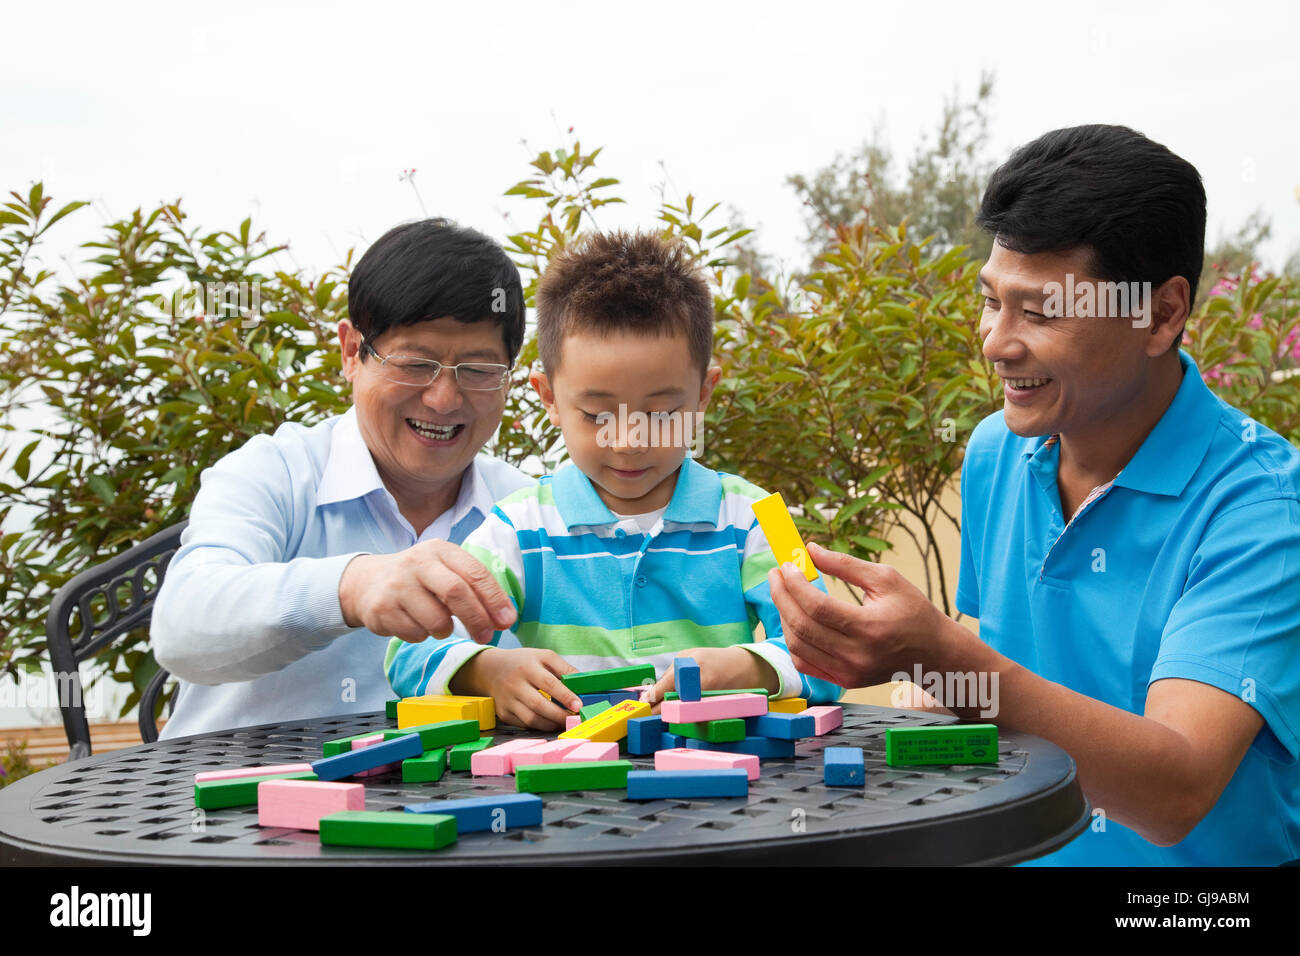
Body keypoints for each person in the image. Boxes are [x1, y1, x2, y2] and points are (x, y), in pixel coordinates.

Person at [767, 125, 1300, 866]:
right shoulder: (998, 451)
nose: (994, 341)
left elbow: (1175, 791)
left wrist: (938, 653)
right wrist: (889, 665)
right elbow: (1003, 689)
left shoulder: (1264, 510)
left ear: (1162, 314)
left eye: (1041, 312)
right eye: (991, 300)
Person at [385, 231, 843, 728]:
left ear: (704, 393)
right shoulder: (516, 528)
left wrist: (749, 666)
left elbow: (834, 651)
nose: (629, 440)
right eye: (598, 415)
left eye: (663, 412)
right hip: (568, 786)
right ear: (549, 397)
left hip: (725, 776)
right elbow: (406, 652)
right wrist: (488, 672)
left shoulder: (763, 517)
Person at [152, 219, 533, 737]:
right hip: (233, 797)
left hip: (449, 805)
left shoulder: (529, 507)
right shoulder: (273, 472)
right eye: (415, 363)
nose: (444, 399)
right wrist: (350, 588)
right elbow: (181, 628)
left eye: (479, 370)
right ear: (351, 352)